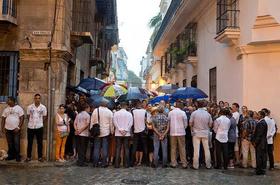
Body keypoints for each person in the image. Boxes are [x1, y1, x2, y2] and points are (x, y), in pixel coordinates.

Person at [189, 100, 213, 169]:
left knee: (196, 150)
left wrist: (193, 128)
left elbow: (190, 123)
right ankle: (208, 165)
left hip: (196, 133)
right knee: (207, 149)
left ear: (197, 105)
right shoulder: (207, 114)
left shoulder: (194, 113)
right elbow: (210, 125)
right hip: (205, 133)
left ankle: (195, 165)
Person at [91, 101, 114, 167]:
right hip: (106, 132)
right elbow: (111, 123)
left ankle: (95, 163)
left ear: (100, 104)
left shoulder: (95, 110)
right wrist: (112, 131)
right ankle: (104, 163)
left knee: (96, 148)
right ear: (107, 105)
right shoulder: (109, 112)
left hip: (97, 131)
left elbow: (92, 120)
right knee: (105, 148)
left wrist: (91, 129)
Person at [1, 97, 24, 162]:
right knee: (10, 143)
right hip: (7, 129)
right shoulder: (6, 109)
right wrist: (2, 128)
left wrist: (18, 127)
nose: (7, 101)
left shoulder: (18, 108)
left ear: (12, 101)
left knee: (16, 143)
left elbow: (22, 117)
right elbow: (3, 118)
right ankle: (11, 156)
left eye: (8, 100)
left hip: (16, 129)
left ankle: (17, 156)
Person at [26, 94, 47, 162]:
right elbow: (28, 116)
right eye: (36, 98)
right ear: (34, 99)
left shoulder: (43, 107)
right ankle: (28, 157)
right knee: (30, 142)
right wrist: (32, 122)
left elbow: (44, 116)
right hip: (30, 127)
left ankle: (40, 157)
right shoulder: (30, 107)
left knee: (40, 143)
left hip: (39, 127)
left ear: (40, 99)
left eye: (39, 98)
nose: (37, 99)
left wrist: (40, 122)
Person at [113, 102, 133, 168]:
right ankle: (126, 164)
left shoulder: (116, 113)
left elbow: (114, 122)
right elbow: (131, 123)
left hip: (118, 133)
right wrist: (126, 130)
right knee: (126, 148)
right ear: (126, 106)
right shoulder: (129, 114)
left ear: (120, 106)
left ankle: (117, 164)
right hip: (126, 134)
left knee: (118, 148)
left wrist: (119, 129)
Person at [168, 102, 188, 168]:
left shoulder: (170, 113)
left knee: (173, 148)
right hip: (181, 132)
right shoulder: (183, 113)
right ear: (181, 106)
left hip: (173, 132)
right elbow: (185, 123)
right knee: (182, 148)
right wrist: (183, 128)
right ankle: (184, 163)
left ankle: (173, 163)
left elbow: (168, 121)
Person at [131, 100, 149, 166]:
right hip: (143, 130)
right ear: (140, 105)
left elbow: (132, 121)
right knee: (145, 147)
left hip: (136, 131)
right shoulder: (144, 111)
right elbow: (146, 120)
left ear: (136, 105)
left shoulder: (133, 111)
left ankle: (132, 162)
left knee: (134, 147)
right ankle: (147, 162)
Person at [252, 111, 268, 175]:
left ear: (261, 116)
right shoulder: (262, 122)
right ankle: (262, 170)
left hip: (260, 143)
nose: (256, 116)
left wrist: (255, 142)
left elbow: (259, 134)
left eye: (258, 115)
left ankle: (259, 170)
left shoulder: (261, 123)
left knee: (259, 157)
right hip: (263, 142)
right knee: (262, 157)